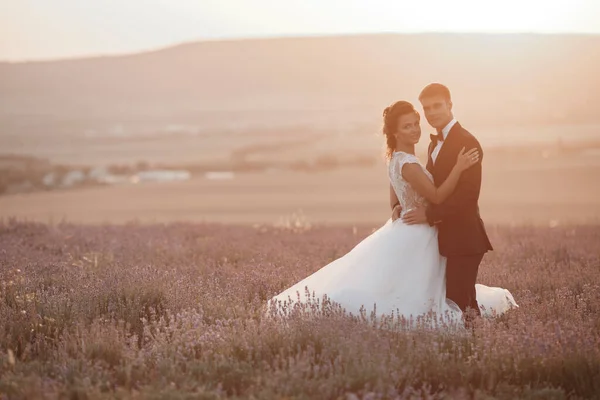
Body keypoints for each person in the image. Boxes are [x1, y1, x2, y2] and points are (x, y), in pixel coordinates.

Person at [267, 99, 517, 326]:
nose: (416, 129)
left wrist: (401, 207)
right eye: (408, 126)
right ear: (395, 132)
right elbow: (438, 196)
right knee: (418, 290)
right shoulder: (408, 163)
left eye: (416, 123)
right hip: (419, 232)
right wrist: (459, 168)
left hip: (408, 228)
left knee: (408, 285)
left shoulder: (396, 159)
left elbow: (393, 202)